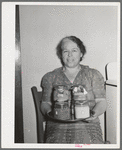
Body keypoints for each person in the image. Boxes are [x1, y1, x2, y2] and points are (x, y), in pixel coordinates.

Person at [40, 36, 107, 144]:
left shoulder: (93, 75)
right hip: (58, 127)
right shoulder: (50, 77)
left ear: (81, 54)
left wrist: (93, 114)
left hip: (87, 125)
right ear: (61, 54)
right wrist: (52, 113)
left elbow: (101, 102)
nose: (70, 54)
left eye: (74, 50)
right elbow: (45, 104)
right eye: (65, 51)